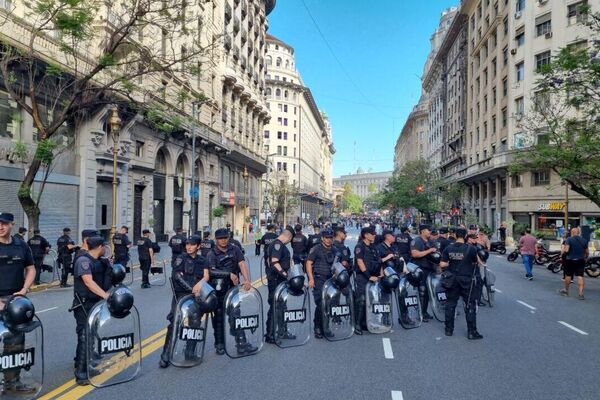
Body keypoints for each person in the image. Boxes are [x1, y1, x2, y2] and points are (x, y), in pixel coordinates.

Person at [0, 212, 37, 394]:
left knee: (15, 344)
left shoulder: (20, 244)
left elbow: (30, 268)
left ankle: (12, 383)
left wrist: (24, 290)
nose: (0, 227)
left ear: (11, 224)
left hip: (15, 302)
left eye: (4, 223)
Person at [159, 235, 209, 368]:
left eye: (192, 244)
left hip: (196, 296)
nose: (189, 247)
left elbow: (206, 276)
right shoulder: (181, 258)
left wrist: (201, 284)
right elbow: (177, 277)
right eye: (187, 244)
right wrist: (192, 289)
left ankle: (190, 352)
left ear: (198, 246)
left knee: (195, 322)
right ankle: (165, 355)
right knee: (174, 322)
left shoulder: (203, 260)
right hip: (181, 295)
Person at [72, 234, 112, 385]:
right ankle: (81, 373)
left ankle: (86, 365)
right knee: (84, 336)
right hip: (84, 305)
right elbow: (88, 282)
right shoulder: (83, 261)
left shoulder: (99, 261)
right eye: (105, 247)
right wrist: (105, 295)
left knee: (91, 335)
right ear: (100, 247)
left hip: (96, 304)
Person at [207, 228, 253, 355]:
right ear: (216, 240)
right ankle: (219, 344)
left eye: (225, 238)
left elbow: (242, 263)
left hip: (232, 289)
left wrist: (247, 280)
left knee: (236, 315)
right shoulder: (212, 253)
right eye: (220, 238)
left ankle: (241, 343)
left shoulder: (235, 249)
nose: (223, 240)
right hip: (218, 291)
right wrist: (228, 274)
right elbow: (211, 271)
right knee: (219, 318)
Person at [440, 227, 484, 339]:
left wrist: (451, 263)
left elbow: (442, 265)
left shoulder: (448, 248)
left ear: (455, 235)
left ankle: (448, 330)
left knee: (450, 304)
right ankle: (471, 332)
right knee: (470, 305)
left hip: (452, 280)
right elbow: (476, 263)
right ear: (465, 236)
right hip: (467, 280)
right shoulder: (471, 249)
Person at [264, 226, 295, 343]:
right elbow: (274, 261)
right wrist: (285, 274)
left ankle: (282, 331)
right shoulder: (278, 244)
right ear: (289, 237)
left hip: (278, 280)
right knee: (275, 306)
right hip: (276, 280)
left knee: (282, 306)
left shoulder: (276, 244)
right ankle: (270, 335)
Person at [306, 228, 337, 339]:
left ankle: (326, 327)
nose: (329, 240)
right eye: (327, 238)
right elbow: (309, 263)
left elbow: (337, 264)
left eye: (330, 237)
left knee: (329, 304)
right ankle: (317, 327)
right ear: (322, 238)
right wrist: (311, 279)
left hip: (331, 280)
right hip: (319, 279)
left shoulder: (334, 250)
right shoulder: (316, 249)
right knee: (320, 304)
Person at [353, 226, 381, 335]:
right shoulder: (360, 246)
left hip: (373, 276)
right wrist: (368, 276)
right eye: (372, 233)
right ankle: (357, 324)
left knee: (370, 300)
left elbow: (378, 261)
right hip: (362, 276)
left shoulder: (373, 247)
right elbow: (360, 262)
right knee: (361, 300)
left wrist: (380, 275)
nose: (374, 235)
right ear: (366, 235)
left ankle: (365, 322)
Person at [411, 224, 438, 321]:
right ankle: (420, 313)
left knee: (427, 292)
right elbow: (415, 254)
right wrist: (429, 251)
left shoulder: (431, 241)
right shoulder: (417, 241)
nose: (430, 231)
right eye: (428, 229)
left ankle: (425, 312)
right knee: (422, 291)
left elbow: (436, 254)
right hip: (421, 269)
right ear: (422, 231)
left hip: (430, 269)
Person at [560, 227, 588, 299]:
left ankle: (566, 290)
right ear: (579, 233)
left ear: (572, 233)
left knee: (568, 275)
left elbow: (566, 250)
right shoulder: (584, 240)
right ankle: (581, 294)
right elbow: (587, 252)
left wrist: (563, 255)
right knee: (580, 276)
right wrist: (585, 257)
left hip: (570, 260)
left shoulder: (569, 239)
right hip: (581, 260)